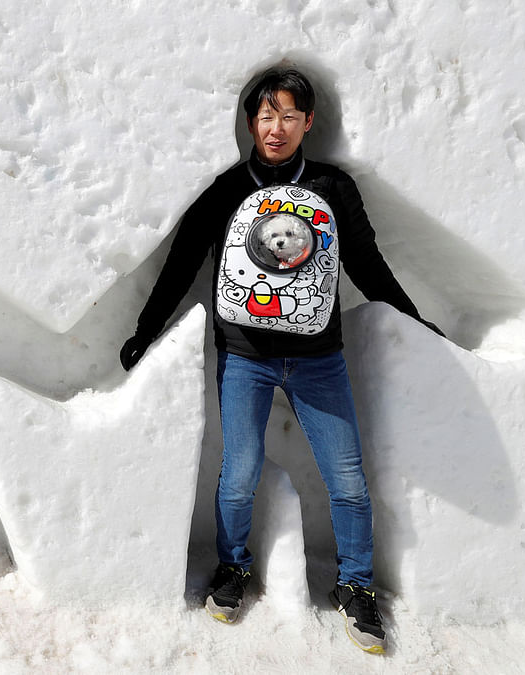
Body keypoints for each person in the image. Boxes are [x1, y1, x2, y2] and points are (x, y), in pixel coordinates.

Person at [119, 67, 441, 654]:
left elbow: (366, 265)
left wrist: (413, 316)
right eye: (267, 116)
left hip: (319, 358)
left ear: (309, 122)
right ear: (250, 122)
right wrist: (146, 328)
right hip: (245, 356)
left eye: (290, 116)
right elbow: (184, 261)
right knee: (237, 477)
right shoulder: (226, 189)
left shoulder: (332, 186)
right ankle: (234, 569)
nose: (276, 128)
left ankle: (356, 586)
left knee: (346, 479)